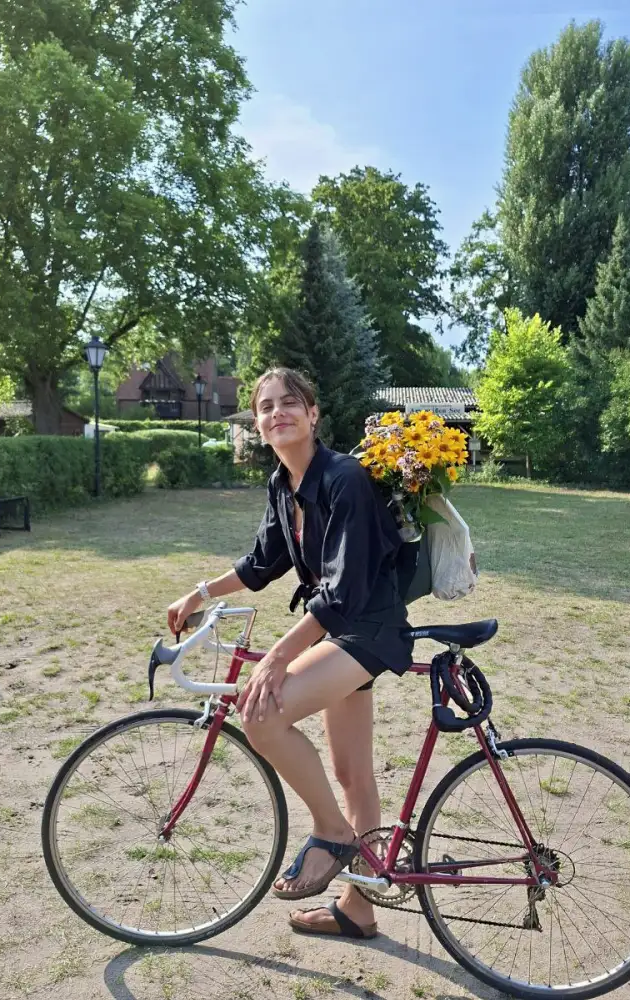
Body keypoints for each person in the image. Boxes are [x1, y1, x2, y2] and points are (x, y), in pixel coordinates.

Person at [167, 367, 413, 940]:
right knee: (352, 774)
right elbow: (261, 564)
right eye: (266, 407)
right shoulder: (284, 484)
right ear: (256, 424)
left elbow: (342, 593)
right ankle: (359, 908)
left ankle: (332, 834)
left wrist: (277, 657)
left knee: (260, 713)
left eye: (290, 402)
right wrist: (199, 594)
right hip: (341, 632)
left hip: (367, 630)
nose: (277, 413)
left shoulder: (344, 478)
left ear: (313, 413)